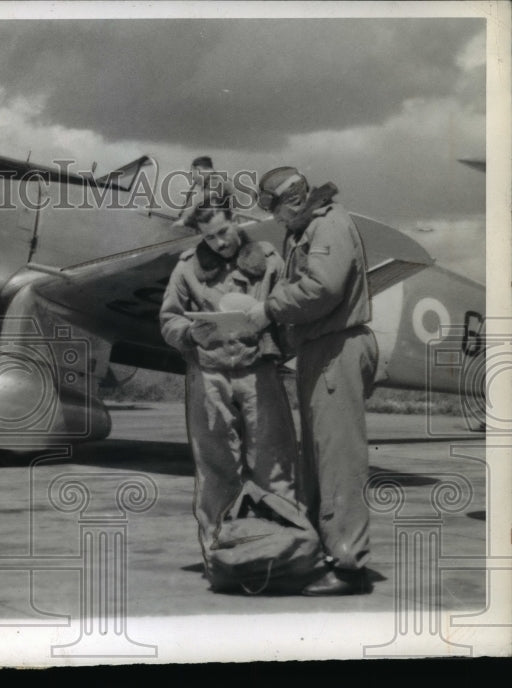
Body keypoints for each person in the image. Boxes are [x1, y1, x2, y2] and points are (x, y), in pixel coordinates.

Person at [246, 166, 378, 596]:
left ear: (293, 199)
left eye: (273, 207)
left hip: (336, 347)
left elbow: (323, 287)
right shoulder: (308, 229)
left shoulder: (328, 226)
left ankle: (348, 566)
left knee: (338, 459)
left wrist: (268, 308)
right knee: (320, 458)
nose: (274, 218)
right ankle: (325, 553)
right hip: (319, 349)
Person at [159, 211, 301, 583]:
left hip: (260, 372)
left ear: (235, 220)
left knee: (273, 467)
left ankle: (283, 555)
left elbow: (289, 309)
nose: (220, 243)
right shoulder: (187, 268)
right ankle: (218, 559)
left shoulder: (270, 259)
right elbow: (169, 320)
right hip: (210, 376)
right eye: (209, 238)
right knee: (216, 471)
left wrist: (271, 327)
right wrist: (190, 335)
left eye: (223, 232)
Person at [175, 156, 236, 230]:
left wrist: (186, 222)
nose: (192, 177)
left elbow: (208, 208)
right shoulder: (218, 178)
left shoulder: (214, 182)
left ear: (198, 170)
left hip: (235, 227)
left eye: (192, 172)